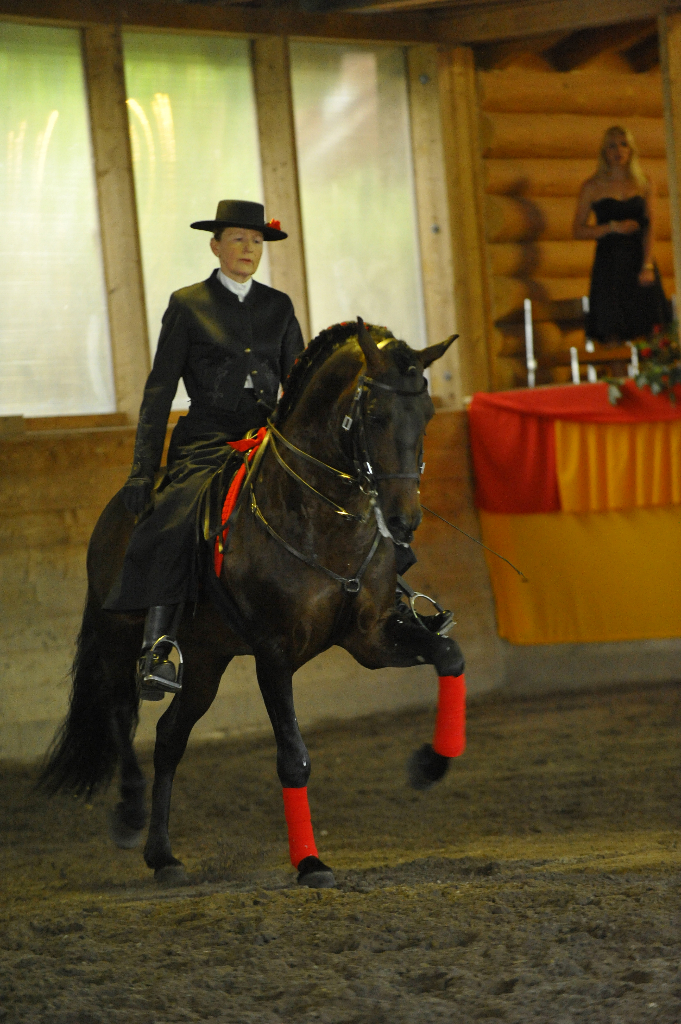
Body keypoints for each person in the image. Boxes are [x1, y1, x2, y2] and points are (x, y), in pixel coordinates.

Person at [104, 200, 304, 698]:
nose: (248, 249)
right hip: (208, 440)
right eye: (238, 239)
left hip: (267, 439)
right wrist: (142, 469)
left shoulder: (279, 306)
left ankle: (392, 604)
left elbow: (298, 382)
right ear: (215, 246)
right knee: (173, 516)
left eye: (256, 241)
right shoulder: (188, 303)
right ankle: (159, 646)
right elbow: (158, 390)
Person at [573, 125, 671, 345]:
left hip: (639, 259)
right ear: (604, 152)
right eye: (611, 146)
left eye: (623, 144)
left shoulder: (644, 182)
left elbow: (651, 225)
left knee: (652, 327)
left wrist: (647, 264)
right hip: (609, 264)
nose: (618, 150)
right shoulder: (592, 186)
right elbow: (578, 230)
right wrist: (612, 228)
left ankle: (652, 379)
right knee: (612, 330)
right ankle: (619, 380)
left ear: (631, 149)